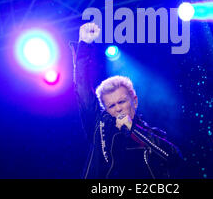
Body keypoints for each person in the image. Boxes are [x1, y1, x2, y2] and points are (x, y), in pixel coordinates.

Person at [71, 22, 183, 179]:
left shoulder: (152, 134)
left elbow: (174, 158)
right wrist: (84, 45)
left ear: (134, 101)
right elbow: (82, 89)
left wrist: (132, 129)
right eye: (111, 105)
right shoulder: (99, 125)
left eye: (121, 102)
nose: (117, 108)